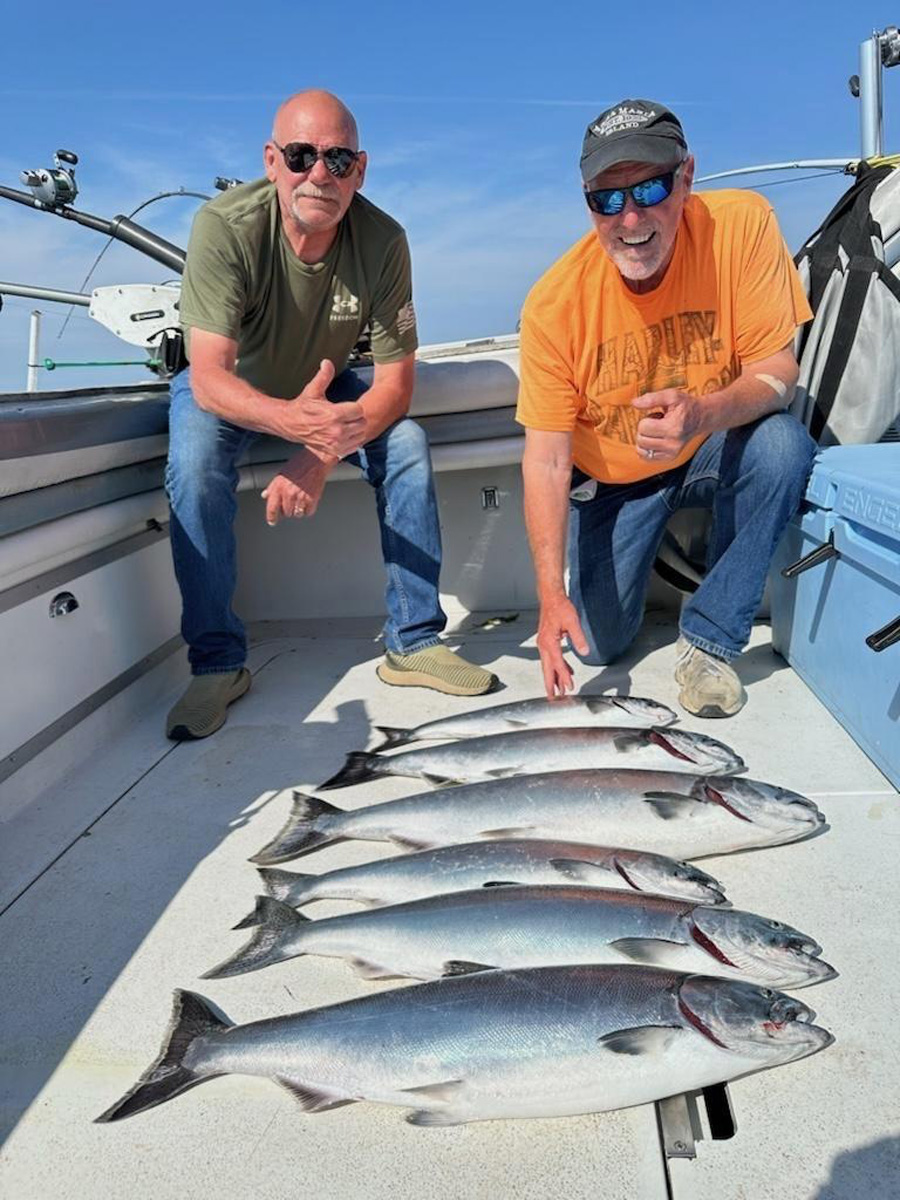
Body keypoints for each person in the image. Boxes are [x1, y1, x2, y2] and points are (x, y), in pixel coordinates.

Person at [165, 89, 497, 740]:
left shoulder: (384, 242)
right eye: (302, 155)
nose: (320, 173)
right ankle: (217, 664)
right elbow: (206, 376)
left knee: (404, 444)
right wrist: (293, 424)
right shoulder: (224, 227)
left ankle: (413, 641)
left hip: (326, 387)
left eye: (339, 159)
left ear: (361, 169)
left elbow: (395, 387)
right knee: (194, 460)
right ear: (272, 161)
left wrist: (317, 453)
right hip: (234, 386)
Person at [517, 99, 816, 717]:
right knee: (597, 648)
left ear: (687, 177)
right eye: (607, 198)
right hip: (615, 483)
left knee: (783, 444)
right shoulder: (552, 304)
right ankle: (639, 552)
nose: (630, 218)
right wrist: (549, 597)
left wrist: (702, 414)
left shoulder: (742, 224)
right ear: (587, 202)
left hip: (709, 444)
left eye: (649, 187)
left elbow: (778, 372)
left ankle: (709, 638)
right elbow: (546, 459)